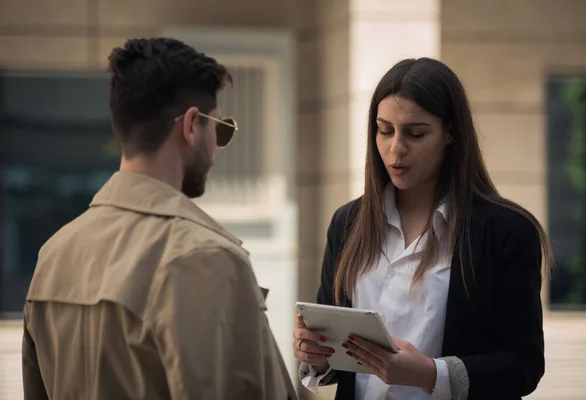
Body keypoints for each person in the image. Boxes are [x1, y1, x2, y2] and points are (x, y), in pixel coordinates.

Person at [22, 37, 296, 400]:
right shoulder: (205, 258)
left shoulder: (53, 256)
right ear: (192, 125)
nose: (217, 146)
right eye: (221, 128)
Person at [293, 57, 553, 400]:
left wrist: (432, 374)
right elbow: (341, 357)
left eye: (415, 133)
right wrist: (316, 357)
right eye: (384, 130)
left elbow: (524, 365)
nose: (395, 148)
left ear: (450, 133)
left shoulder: (506, 232)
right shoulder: (348, 223)